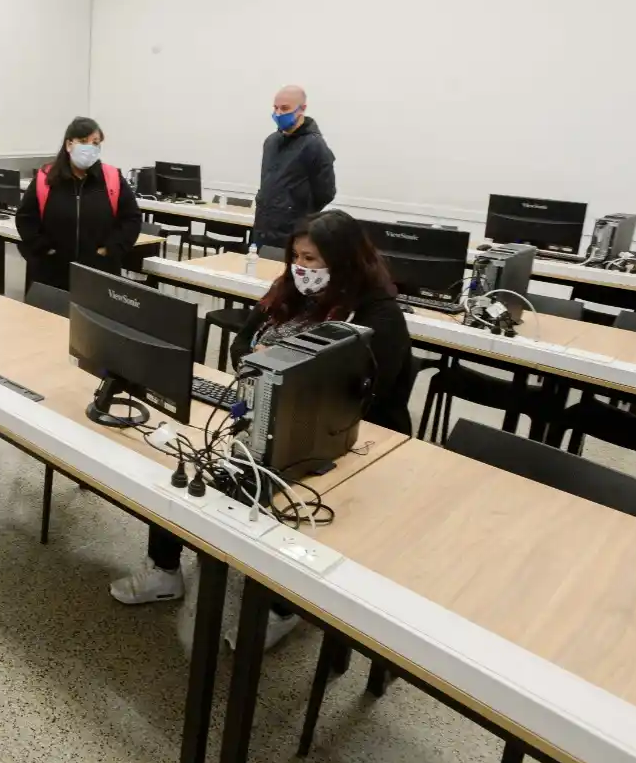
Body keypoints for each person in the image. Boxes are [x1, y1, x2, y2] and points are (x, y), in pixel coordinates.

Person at [109, 210, 414, 650]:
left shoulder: (377, 316)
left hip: (345, 438)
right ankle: (164, 570)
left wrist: (283, 374)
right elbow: (242, 341)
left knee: (292, 505)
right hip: (264, 414)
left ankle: (282, 609)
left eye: (312, 259)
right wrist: (257, 365)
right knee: (187, 458)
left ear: (344, 260)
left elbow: (361, 396)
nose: (301, 268)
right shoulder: (288, 292)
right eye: (296, 257)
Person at [16, 116, 142, 290]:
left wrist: (110, 249)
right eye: (83, 141)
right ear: (69, 145)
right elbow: (26, 218)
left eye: (95, 143)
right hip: (51, 273)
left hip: (99, 274)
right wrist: (44, 248)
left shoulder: (112, 178)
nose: (90, 147)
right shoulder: (46, 178)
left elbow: (131, 218)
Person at [253, 84, 337, 249]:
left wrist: (295, 209)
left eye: (285, 108)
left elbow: (326, 193)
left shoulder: (314, 145)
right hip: (263, 229)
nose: (278, 113)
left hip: (292, 233)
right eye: (275, 108)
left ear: (302, 109)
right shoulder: (271, 141)